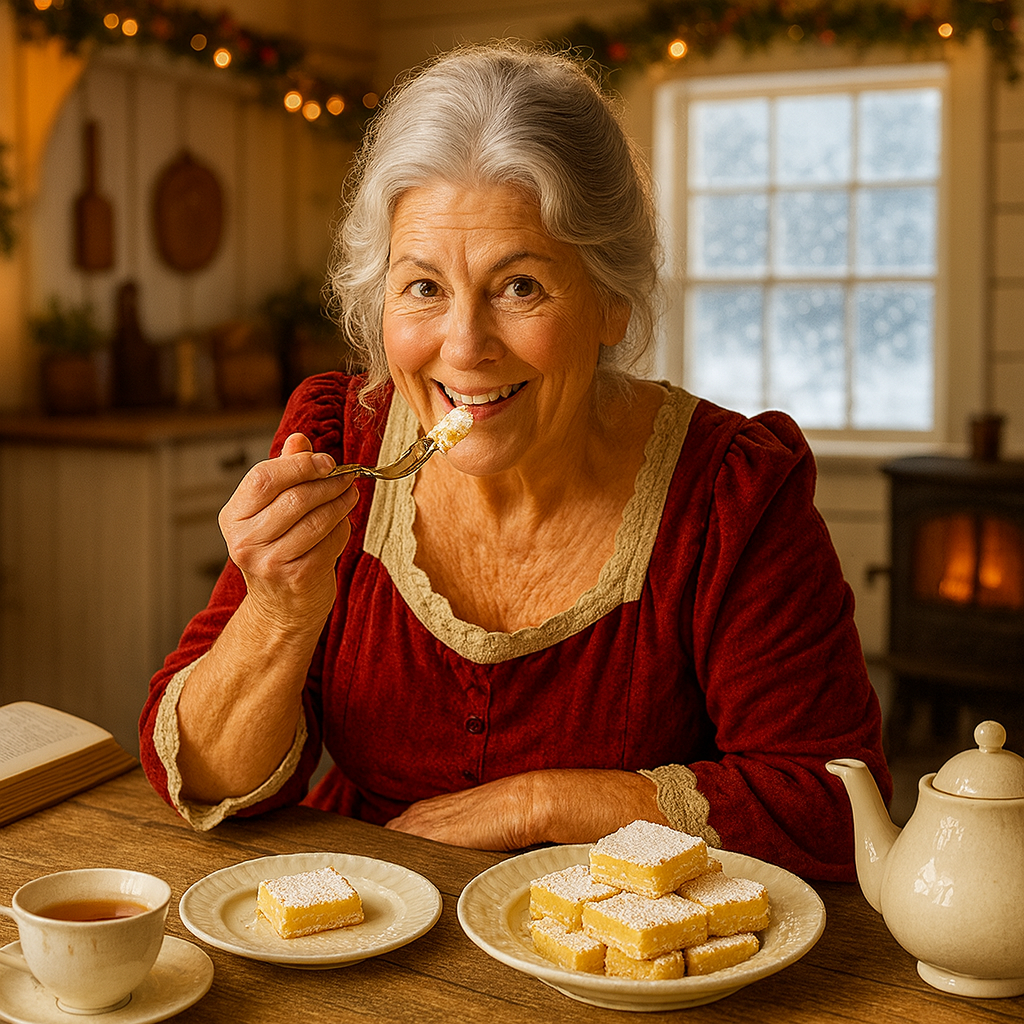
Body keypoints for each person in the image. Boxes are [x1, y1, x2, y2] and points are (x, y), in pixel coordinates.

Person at [139, 40, 891, 882]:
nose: (463, 348)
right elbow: (199, 780)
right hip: (369, 927)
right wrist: (279, 614)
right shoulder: (339, 441)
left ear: (612, 300)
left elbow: (829, 805)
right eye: (423, 287)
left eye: (519, 286)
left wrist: (539, 805)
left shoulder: (730, 493)